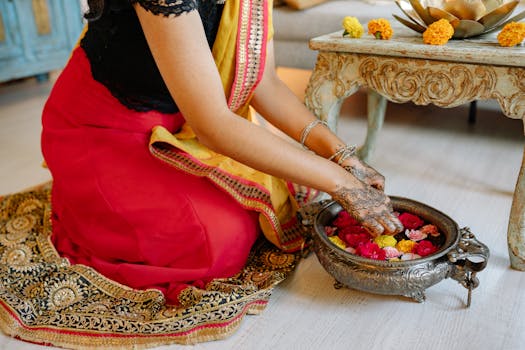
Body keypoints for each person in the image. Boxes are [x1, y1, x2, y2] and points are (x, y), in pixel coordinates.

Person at [41, 0, 403, 306]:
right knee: (218, 242)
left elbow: (265, 82)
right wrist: (340, 183)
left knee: (267, 201)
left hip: (186, 113)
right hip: (109, 126)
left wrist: (342, 156)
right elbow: (213, 125)